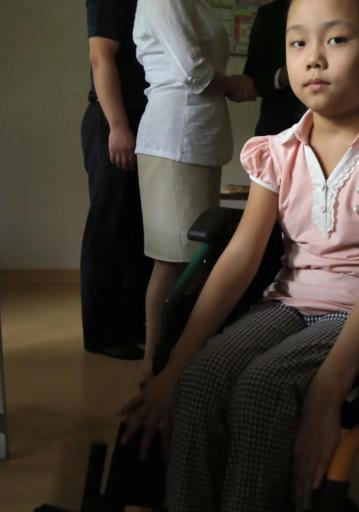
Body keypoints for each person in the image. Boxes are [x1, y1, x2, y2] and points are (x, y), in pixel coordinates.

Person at [120, 0, 359, 509]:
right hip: (287, 303)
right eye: (298, 43)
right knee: (202, 380)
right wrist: (173, 367)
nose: (313, 58)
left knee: (262, 387)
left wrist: (327, 394)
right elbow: (240, 258)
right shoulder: (277, 151)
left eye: (336, 40)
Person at [132, 0, 256, 385]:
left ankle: (184, 357)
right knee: (172, 259)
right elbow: (192, 70)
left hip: (200, 137)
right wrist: (235, 84)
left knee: (198, 257)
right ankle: (154, 363)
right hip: (173, 137)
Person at [80, 0, 152, 360]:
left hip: (143, 119)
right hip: (116, 119)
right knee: (109, 224)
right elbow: (100, 57)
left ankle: (131, 324)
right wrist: (118, 126)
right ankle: (103, 334)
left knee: (136, 226)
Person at [243, 0, 306, 137]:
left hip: (336, 128)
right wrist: (280, 77)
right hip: (278, 128)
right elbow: (252, 77)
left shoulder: (346, 9)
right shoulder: (269, 14)